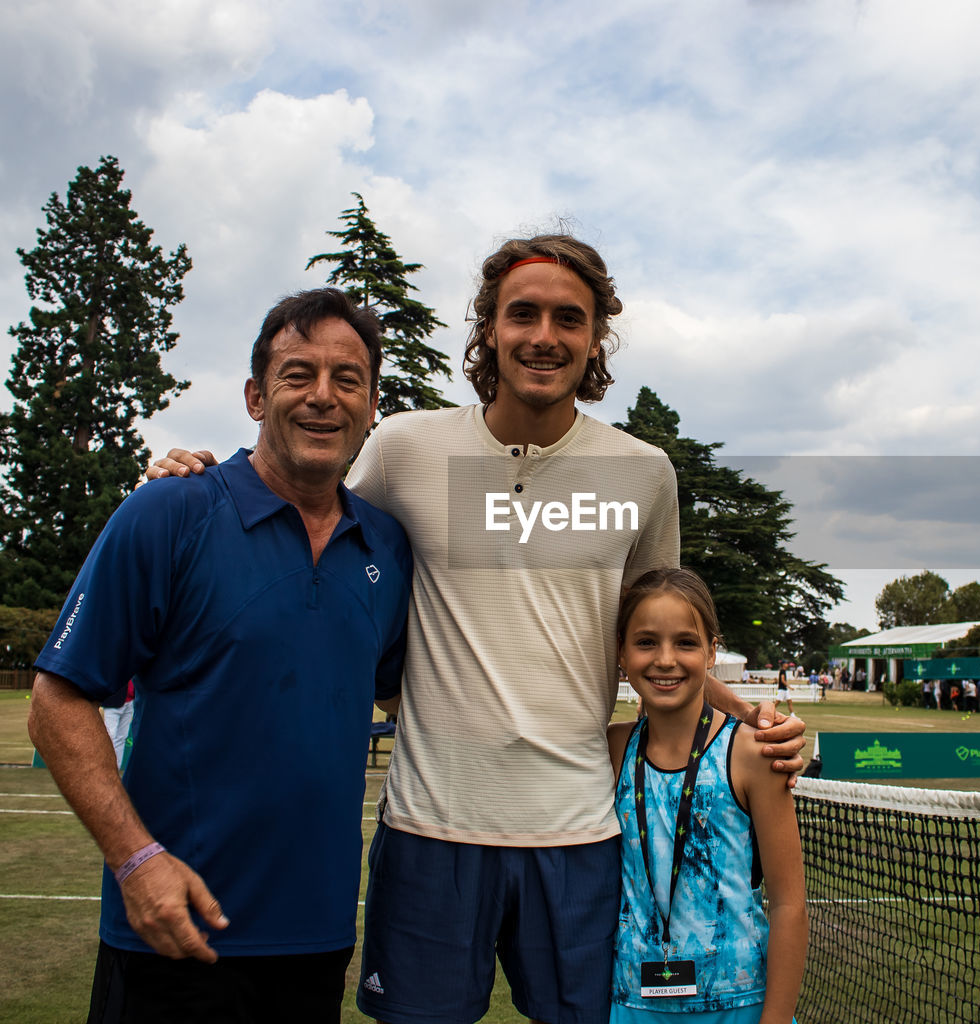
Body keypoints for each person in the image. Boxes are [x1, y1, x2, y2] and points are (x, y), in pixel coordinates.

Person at [150, 235, 807, 1024]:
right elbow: (305, 512)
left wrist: (753, 723)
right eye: (521, 313)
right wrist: (201, 481)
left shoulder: (645, 473)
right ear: (488, 328)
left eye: (570, 318)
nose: (544, 335)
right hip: (430, 831)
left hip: (580, 836)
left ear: (596, 338)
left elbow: (664, 643)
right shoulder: (404, 447)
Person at [27, 289, 413, 1023]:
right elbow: (57, 703)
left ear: (372, 407)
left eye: (348, 379)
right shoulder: (169, 511)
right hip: (172, 935)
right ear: (255, 396)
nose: (323, 397)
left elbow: (409, 696)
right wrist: (137, 862)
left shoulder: (387, 547)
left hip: (317, 940)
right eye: (298, 374)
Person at [608, 568, 807, 1024]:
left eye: (685, 642)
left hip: (740, 1005)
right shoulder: (613, 747)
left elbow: (789, 904)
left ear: (712, 650)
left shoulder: (754, 753)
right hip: (632, 1004)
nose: (665, 659)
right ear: (620, 651)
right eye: (645, 642)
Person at [100, 680, 135, 770]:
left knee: (122, 737)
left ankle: (116, 769)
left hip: (130, 701)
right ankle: (106, 770)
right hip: (113, 702)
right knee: (110, 738)